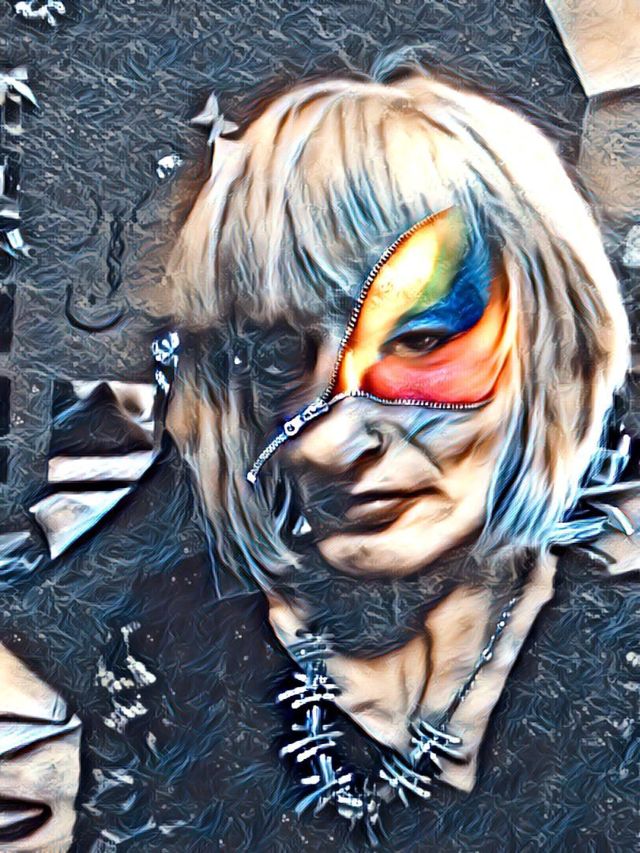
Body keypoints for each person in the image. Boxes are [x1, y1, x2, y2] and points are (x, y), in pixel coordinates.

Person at [162, 66, 632, 836]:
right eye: (280, 356)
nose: (325, 440)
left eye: (419, 340)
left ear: (558, 354)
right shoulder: (161, 676)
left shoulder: (616, 672)